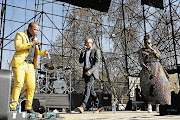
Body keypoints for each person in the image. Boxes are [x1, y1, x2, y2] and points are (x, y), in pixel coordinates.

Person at [10, 22, 51, 113]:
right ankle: (13, 107)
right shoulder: (20, 35)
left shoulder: (35, 38)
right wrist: (32, 43)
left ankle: (28, 107)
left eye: (38, 30)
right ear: (29, 28)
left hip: (30, 65)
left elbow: (36, 51)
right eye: (35, 29)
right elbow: (18, 47)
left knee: (32, 86)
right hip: (20, 63)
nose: (36, 32)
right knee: (19, 84)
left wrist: (44, 52)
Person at [139, 34, 171, 113]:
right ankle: (149, 104)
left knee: (159, 85)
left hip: (157, 68)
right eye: (146, 43)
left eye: (149, 43)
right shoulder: (142, 50)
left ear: (151, 43)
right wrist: (144, 66)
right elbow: (140, 60)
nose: (147, 44)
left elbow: (159, 56)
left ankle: (158, 105)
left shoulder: (155, 49)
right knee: (147, 87)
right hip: (147, 69)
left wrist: (152, 49)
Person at [75, 38, 103, 113]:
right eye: (85, 43)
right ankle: (100, 106)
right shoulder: (86, 51)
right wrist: (81, 53)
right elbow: (80, 61)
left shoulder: (96, 50)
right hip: (86, 72)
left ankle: (82, 106)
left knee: (88, 87)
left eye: (86, 43)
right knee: (92, 91)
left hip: (92, 73)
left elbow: (97, 63)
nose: (85, 45)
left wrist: (90, 71)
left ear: (91, 43)